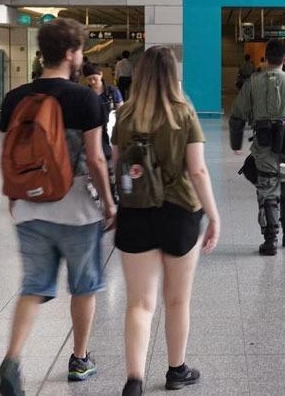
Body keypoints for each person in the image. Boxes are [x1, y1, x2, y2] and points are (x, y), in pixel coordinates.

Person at [0, 18, 116, 396]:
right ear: (69, 54)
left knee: (33, 286)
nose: (81, 58)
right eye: (80, 51)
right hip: (78, 210)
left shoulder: (15, 98)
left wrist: (14, 195)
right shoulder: (85, 99)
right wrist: (110, 203)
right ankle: (79, 359)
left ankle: (12, 360)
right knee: (84, 287)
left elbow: (9, 153)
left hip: (30, 209)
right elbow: (96, 160)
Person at [113, 46, 220, 396]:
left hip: (136, 214)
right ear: (173, 75)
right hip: (179, 213)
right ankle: (177, 370)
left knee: (139, 303)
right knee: (177, 300)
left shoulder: (125, 115)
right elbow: (198, 170)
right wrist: (214, 216)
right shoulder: (183, 114)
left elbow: (118, 166)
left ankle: (134, 380)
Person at [229, 39, 285, 256]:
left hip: (263, 147)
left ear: (266, 57)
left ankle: (270, 240)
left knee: (267, 190)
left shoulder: (252, 82)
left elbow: (237, 117)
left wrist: (236, 143)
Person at [83, 62, 124, 162]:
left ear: (101, 74)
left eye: (94, 78)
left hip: (111, 131)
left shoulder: (112, 91)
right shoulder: (85, 95)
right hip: (94, 133)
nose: (92, 82)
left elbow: (122, 110)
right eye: (89, 79)